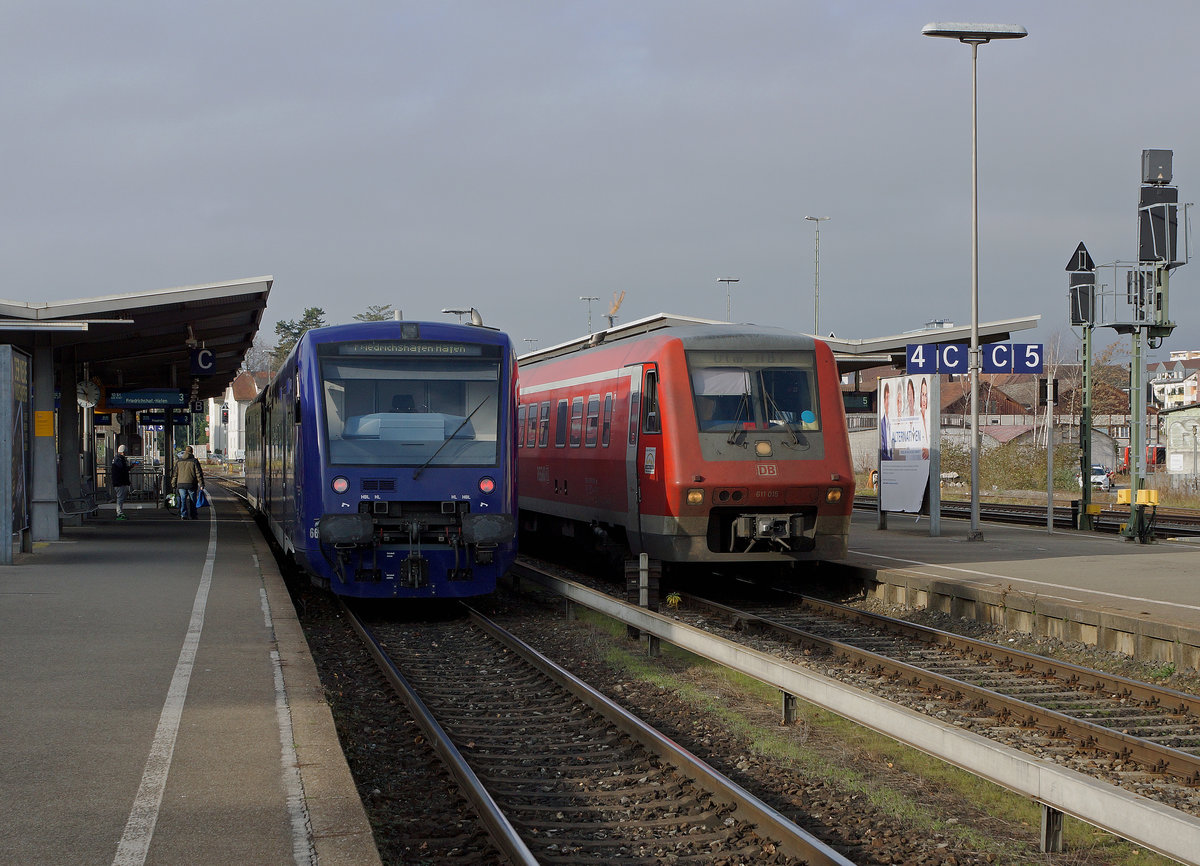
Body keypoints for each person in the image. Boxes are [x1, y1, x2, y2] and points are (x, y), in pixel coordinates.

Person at [172, 445, 205, 520]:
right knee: (192, 500)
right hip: (191, 484)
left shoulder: (179, 461)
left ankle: (184, 515)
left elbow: (175, 474)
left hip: (181, 484)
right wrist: (201, 484)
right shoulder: (194, 461)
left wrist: (173, 484)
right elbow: (198, 473)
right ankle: (193, 515)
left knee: (183, 500)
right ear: (192, 452)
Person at [111, 445, 131, 520]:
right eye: (125, 452)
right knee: (120, 498)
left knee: (120, 498)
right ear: (123, 452)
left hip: (118, 481)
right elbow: (123, 470)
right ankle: (119, 513)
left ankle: (120, 513)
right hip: (120, 482)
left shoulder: (116, 459)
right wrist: (130, 467)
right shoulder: (119, 459)